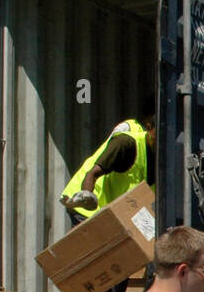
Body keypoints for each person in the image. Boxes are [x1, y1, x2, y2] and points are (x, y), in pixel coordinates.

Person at [60, 96, 156, 226]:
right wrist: (86, 194)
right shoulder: (127, 136)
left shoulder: (160, 152)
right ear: (149, 125)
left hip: (112, 207)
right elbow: (94, 171)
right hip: (90, 200)